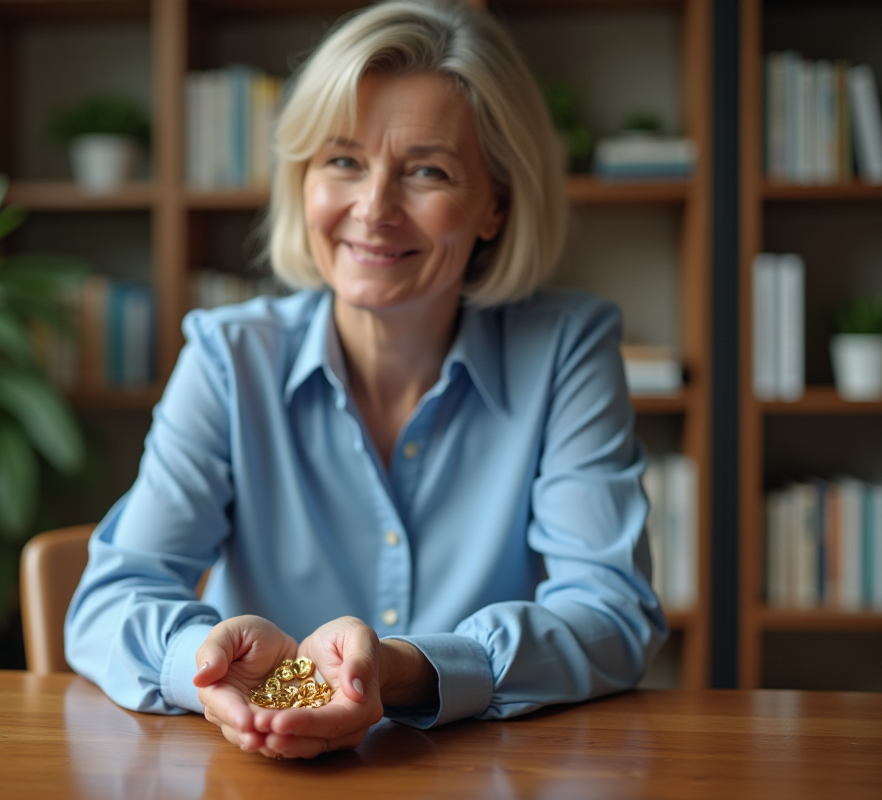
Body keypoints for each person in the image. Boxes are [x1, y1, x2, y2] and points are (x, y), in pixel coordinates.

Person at [65, 0, 667, 760]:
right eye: (343, 160)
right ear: (305, 181)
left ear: (494, 207)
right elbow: (110, 602)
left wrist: (403, 670)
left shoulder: (567, 351)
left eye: (427, 171)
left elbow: (612, 615)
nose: (373, 209)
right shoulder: (227, 357)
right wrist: (208, 666)